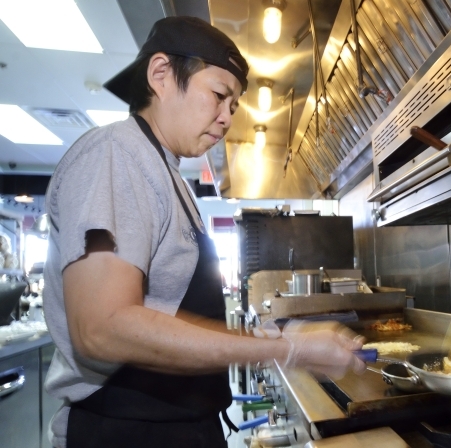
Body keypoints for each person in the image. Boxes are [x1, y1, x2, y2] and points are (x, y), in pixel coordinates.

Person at [43, 16, 366, 448]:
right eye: (218, 95)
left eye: (233, 106)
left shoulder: (165, 174)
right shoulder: (116, 154)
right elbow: (103, 328)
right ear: (161, 74)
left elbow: (166, 312)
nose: (226, 117)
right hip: (127, 433)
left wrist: (274, 337)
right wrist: (287, 349)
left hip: (176, 427)